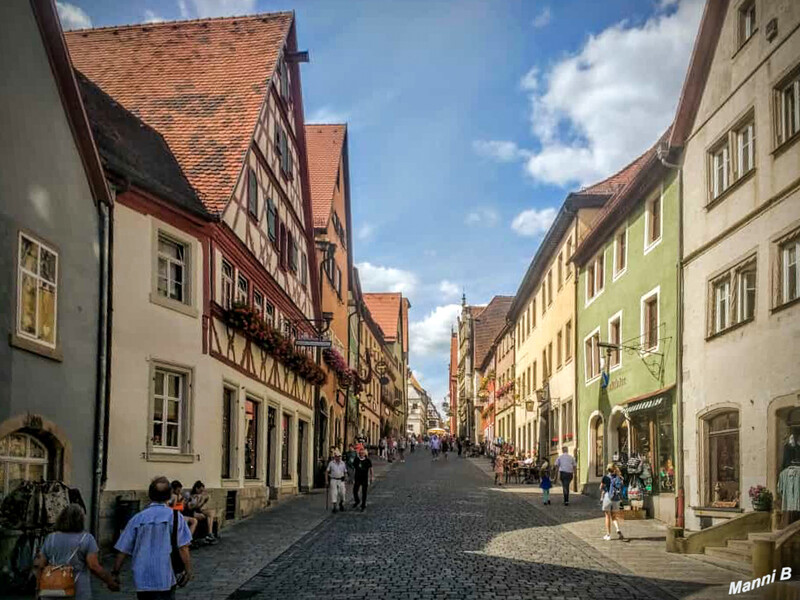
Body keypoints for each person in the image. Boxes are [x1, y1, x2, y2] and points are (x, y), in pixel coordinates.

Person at [113, 476, 193, 599]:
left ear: (150, 494)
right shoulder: (175, 517)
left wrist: (116, 572)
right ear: (169, 495)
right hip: (165, 574)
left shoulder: (138, 518)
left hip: (142, 575)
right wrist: (188, 570)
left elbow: (123, 549)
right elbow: (183, 547)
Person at [35, 504, 119, 599]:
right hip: (77, 589)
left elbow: (40, 565)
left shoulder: (51, 538)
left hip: (52, 589)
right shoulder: (87, 539)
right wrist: (109, 581)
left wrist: (38, 587)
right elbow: (94, 566)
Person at [601, 463, 625, 541]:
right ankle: (618, 529)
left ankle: (608, 535)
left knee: (607, 516)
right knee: (614, 516)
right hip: (616, 498)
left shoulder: (605, 477)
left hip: (608, 497)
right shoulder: (619, 477)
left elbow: (601, 487)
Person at [352, 446, 374, 511]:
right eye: (360, 453)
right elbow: (354, 468)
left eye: (362, 453)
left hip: (364, 478)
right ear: (359, 453)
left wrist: (371, 477)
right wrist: (352, 477)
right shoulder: (356, 459)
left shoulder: (367, 460)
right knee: (355, 491)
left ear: (364, 454)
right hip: (357, 477)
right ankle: (357, 500)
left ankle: (363, 505)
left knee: (364, 492)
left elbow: (371, 469)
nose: (361, 454)